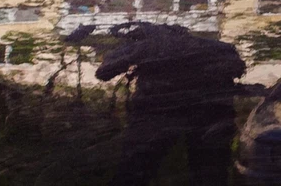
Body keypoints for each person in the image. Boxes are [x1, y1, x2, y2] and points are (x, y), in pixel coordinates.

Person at [95, 22, 246, 186]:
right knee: (210, 174)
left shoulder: (146, 46)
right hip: (208, 116)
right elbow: (238, 69)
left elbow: (103, 73)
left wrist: (132, 54)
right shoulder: (215, 47)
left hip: (158, 116)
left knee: (133, 172)